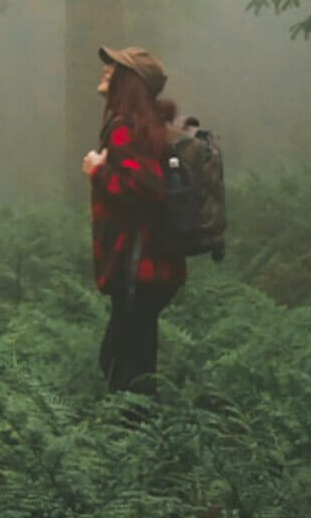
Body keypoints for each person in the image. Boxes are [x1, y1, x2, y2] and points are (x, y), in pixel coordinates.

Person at [83, 44, 186, 395]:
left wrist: (97, 172)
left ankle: (137, 436)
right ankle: (144, 434)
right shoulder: (146, 127)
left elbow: (144, 192)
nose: (106, 70)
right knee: (135, 362)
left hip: (138, 267)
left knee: (121, 364)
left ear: (131, 82)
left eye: (115, 67)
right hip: (151, 267)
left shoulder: (126, 129)